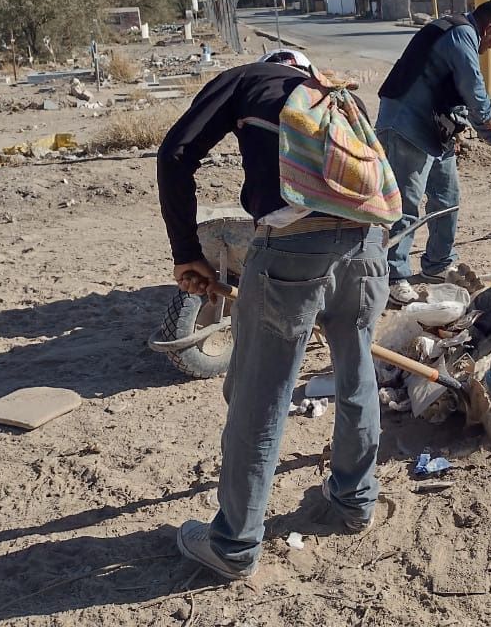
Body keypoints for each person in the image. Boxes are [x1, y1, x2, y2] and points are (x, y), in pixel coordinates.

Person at [157, 47, 388, 581]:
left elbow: (176, 154)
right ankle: (354, 500)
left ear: (272, 63)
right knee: (357, 374)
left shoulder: (247, 79)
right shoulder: (338, 95)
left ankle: (234, 544)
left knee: (261, 394)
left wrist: (186, 251)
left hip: (290, 254)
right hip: (368, 248)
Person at [375, 0, 491, 305]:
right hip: (406, 124)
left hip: (435, 129)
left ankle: (438, 262)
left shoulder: (458, 32)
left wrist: (477, 131)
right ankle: (394, 276)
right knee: (407, 204)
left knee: (447, 198)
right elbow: (473, 88)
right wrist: (490, 130)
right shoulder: (461, 34)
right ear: (487, 27)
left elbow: (458, 95)